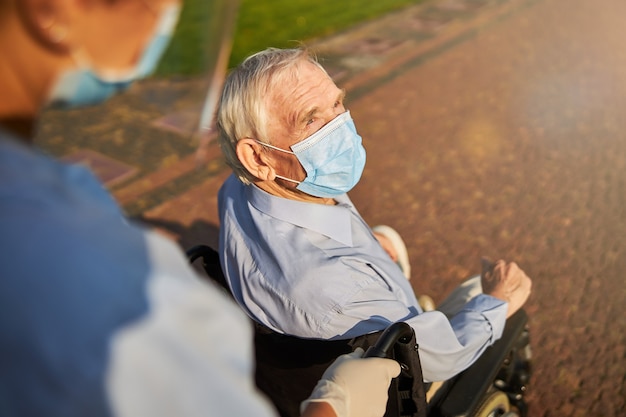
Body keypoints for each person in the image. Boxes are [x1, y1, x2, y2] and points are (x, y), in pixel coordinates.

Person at [0, 1, 401, 417]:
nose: (166, 14)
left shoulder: (56, 194)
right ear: (51, 9)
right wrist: (332, 407)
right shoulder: (64, 260)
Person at [216, 47, 533, 383]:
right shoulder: (336, 289)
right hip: (408, 374)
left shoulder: (237, 189)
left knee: (381, 240)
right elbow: (439, 358)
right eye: (311, 119)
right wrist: (496, 302)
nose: (340, 127)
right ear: (257, 158)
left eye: (337, 103)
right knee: (491, 290)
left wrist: (367, 246)